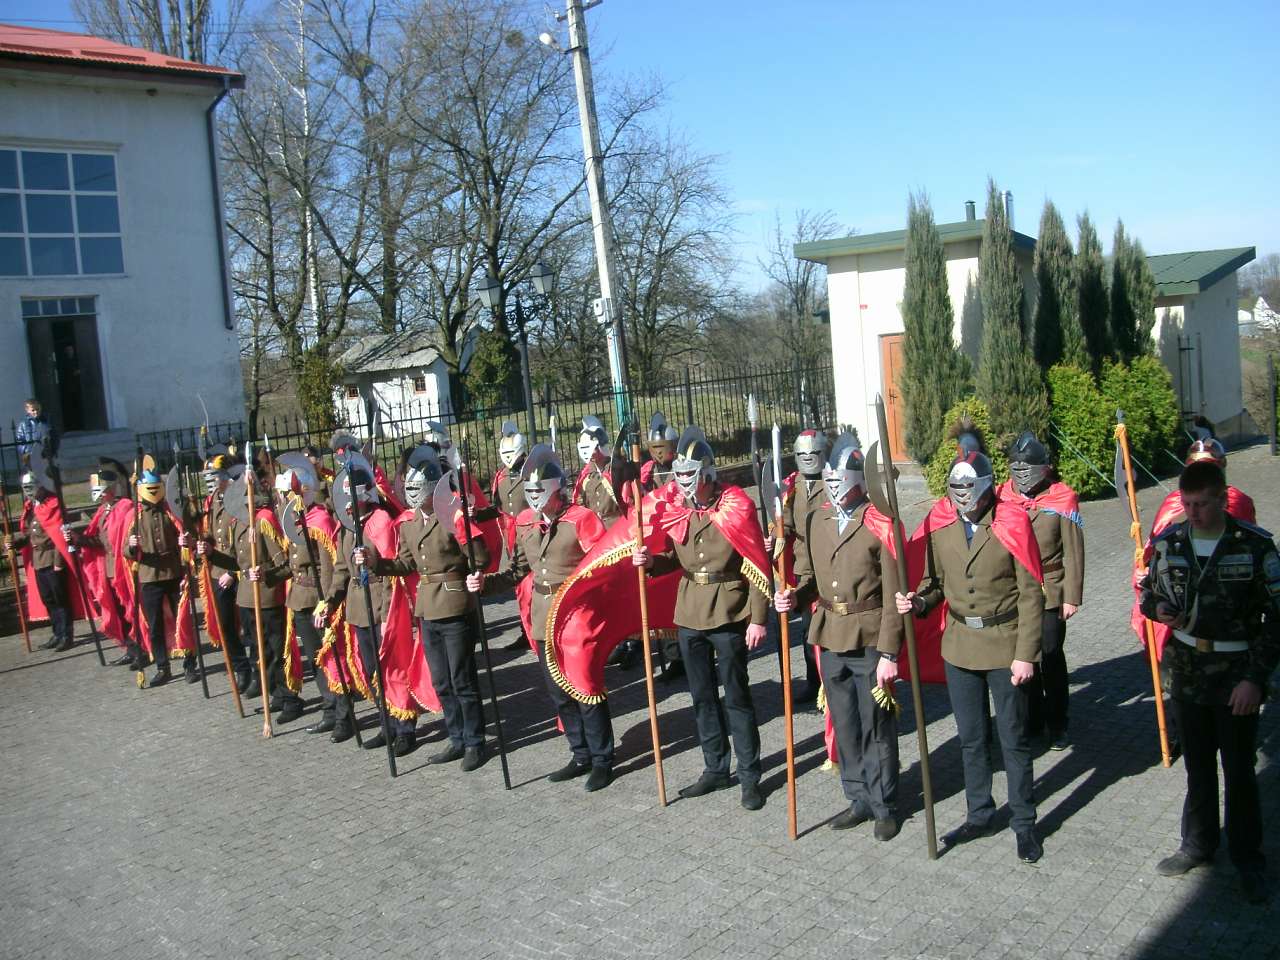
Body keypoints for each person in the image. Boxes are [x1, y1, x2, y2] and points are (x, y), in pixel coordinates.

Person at [895, 448, 1045, 864]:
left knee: (1013, 740)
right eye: (956, 486)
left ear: (985, 487)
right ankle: (980, 813)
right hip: (959, 645)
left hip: (1004, 644)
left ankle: (1024, 823)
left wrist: (1026, 654)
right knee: (971, 739)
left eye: (969, 486)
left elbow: (1032, 593)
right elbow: (935, 585)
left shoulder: (1011, 522)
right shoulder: (940, 527)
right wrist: (919, 604)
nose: (963, 494)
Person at [1140, 460, 1280, 904]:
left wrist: (1256, 680)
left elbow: (1276, 621)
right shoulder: (1171, 542)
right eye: (1188, 504)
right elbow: (1149, 594)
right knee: (1198, 770)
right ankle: (1198, 845)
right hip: (1186, 674)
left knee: (1239, 773)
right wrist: (1156, 609)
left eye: (1202, 504)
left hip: (1236, 676)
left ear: (1223, 499)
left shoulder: (1255, 548)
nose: (1194, 513)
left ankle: (1248, 859)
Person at [632, 427, 771, 811]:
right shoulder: (680, 509)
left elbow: (756, 563)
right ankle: (715, 768)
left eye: (690, 476)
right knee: (702, 698)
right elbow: (677, 558)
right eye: (679, 476)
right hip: (689, 611)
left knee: (737, 698)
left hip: (728, 612)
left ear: (708, 474)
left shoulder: (736, 506)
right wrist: (651, 564)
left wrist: (758, 619)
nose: (684, 485)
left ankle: (749, 775)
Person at [775, 433, 903, 838]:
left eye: (840, 480)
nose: (833, 488)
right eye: (829, 481)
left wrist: (889, 652)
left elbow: (892, 594)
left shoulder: (881, 523)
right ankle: (858, 797)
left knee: (876, 725)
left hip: (868, 636)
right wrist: (793, 597)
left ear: (859, 482)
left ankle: (884, 803)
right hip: (829, 634)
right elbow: (810, 577)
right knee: (845, 722)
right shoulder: (817, 520)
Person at [469, 445, 615, 791]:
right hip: (541, 614)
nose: (533, 498)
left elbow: (603, 565)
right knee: (558, 691)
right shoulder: (525, 523)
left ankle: (602, 758)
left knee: (585, 687)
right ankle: (580, 753)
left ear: (556, 490)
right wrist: (484, 585)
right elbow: (519, 570)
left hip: (577, 615)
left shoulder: (581, 519)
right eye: (529, 492)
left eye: (539, 492)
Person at [380, 445, 490, 770]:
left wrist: (468, 532)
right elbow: (405, 564)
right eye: (408, 488)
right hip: (427, 609)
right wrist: (376, 563)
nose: (411, 494)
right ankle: (456, 737)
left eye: (417, 488)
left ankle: (475, 741)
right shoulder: (409, 523)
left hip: (455, 604)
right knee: (441, 681)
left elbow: (480, 559)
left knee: (463, 679)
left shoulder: (452, 514)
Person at [997, 431, 1084, 750]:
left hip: (1050, 589)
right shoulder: (1002, 496)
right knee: (1023, 655)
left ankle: (1058, 721)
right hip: (1015, 591)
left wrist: (1072, 595)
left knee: (1049, 654)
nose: (1021, 474)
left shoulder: (1061, 498)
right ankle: (1031, 720)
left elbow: (1073, 551)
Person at [199, 458, 300, 721]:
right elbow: (234, 561)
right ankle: (276, 694)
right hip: (246, 597)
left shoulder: (264, 521)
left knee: (277, 651)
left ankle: (290, 698)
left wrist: (266, 574)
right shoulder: (238, 524)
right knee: (260, 651)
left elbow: (286, 564)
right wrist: (211, 554)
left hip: (267, 596)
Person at [273, 456, 341, 737]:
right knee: (315, 659)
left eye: (289, 493)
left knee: (329, 657)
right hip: (299, 596)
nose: (285, 499)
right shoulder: (295, 520)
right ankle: (329, 708)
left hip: (317, 598)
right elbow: (291, 563)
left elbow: (328, 564)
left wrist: (326, 600)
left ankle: (341, 712)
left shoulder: (319, 520)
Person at [5, 468, 73, 651]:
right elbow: (29, 534)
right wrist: (14, 543)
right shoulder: (32, 507)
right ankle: (57, 633)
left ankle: (66, 635)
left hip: (52, 558)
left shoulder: (53, 504)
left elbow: (59, 535)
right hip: (38, 559)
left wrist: (59, 562)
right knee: (48, 599)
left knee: (60, 599)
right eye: (24, 487)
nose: (27, 491)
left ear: (39, 485)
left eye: (30, 486)